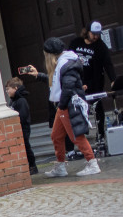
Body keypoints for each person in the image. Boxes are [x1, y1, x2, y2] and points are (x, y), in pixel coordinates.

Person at [24, 38, 100, 177]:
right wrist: (38, 76)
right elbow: (57, 81)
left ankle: (92, 163)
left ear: (50, 53)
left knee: (76, 136)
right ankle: (61, 166)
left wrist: (62, 105)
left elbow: (67, 87)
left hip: (68, 105)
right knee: (57, 136)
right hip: (64, 105)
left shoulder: (66, 64)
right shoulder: (65, 63)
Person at [70, 21, 117, 137]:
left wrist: (113, 80)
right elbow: (67, 60)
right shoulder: (76, 43)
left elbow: (108, 64)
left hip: (94, 82)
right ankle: (81, 134)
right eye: (93, 34)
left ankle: (100, 133)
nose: (96, 36)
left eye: (98, 34)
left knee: (98, 107)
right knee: (77, 108)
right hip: (78, 82)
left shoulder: (100, 46)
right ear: (87, 32)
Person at [5, 77, 38, 175]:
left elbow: (23, 116)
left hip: (23, 128)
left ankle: (32, 166)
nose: (7, 91)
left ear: (15, 88)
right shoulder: (13, 101)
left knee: (26, 146)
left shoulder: (21, 101)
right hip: (18, 128)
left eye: (8, 89)